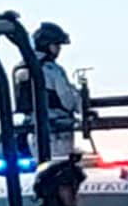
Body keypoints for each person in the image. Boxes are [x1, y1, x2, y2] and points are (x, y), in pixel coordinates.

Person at [13, 22, 83, 158]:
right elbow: (67, 100)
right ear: (47, 45)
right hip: (57, 126)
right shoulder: (53, 70)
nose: (59, 49)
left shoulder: (21, 67)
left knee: (41, 164)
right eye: (56, 45)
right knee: (59, 165)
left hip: (32, 126)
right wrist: (81, 106)